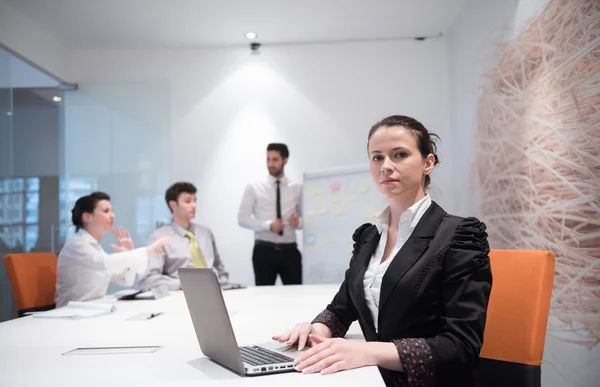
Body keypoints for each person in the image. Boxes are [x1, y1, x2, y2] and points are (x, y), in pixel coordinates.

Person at [273, 116, 493, 387]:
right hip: (371, 376)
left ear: (428, 162)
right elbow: (342, 309)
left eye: (399, 155)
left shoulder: (459, 236)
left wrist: (367, 351)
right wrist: (315, 330)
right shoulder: (369, 236)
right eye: (377, 157)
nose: (386, 166)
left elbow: (461, 346)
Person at [55, 192, 169, 307]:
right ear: (87, 217)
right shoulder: (76, 244)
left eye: (111, 210)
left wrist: (129, 252)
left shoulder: (95, 248)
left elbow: (125, 280)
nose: (113, 215)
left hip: (91, 309)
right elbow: (104, 262)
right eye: (106, 211)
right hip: (70, 313)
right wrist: (145, 251)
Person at [138, 182, 229, 290]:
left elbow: (220, 269)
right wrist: (180, 284)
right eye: (188, 201)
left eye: (195, 200)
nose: (193, 205)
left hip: (215, 292)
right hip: (181, 296)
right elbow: (148, 280)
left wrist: (222, 283)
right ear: (173, 205)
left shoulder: (205, 233)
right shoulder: (158, 238)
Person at [238, 143, 303, 286]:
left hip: (290, 250)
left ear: (285, 160)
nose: (270, 164)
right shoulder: (254, 187)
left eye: (275, 159)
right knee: (263, 298)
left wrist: (298, 223)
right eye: (268, 159)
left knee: (296, 296)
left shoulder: (297, 188)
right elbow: (242, 219)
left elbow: (308, 219)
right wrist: (268, 226)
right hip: (264, 251)